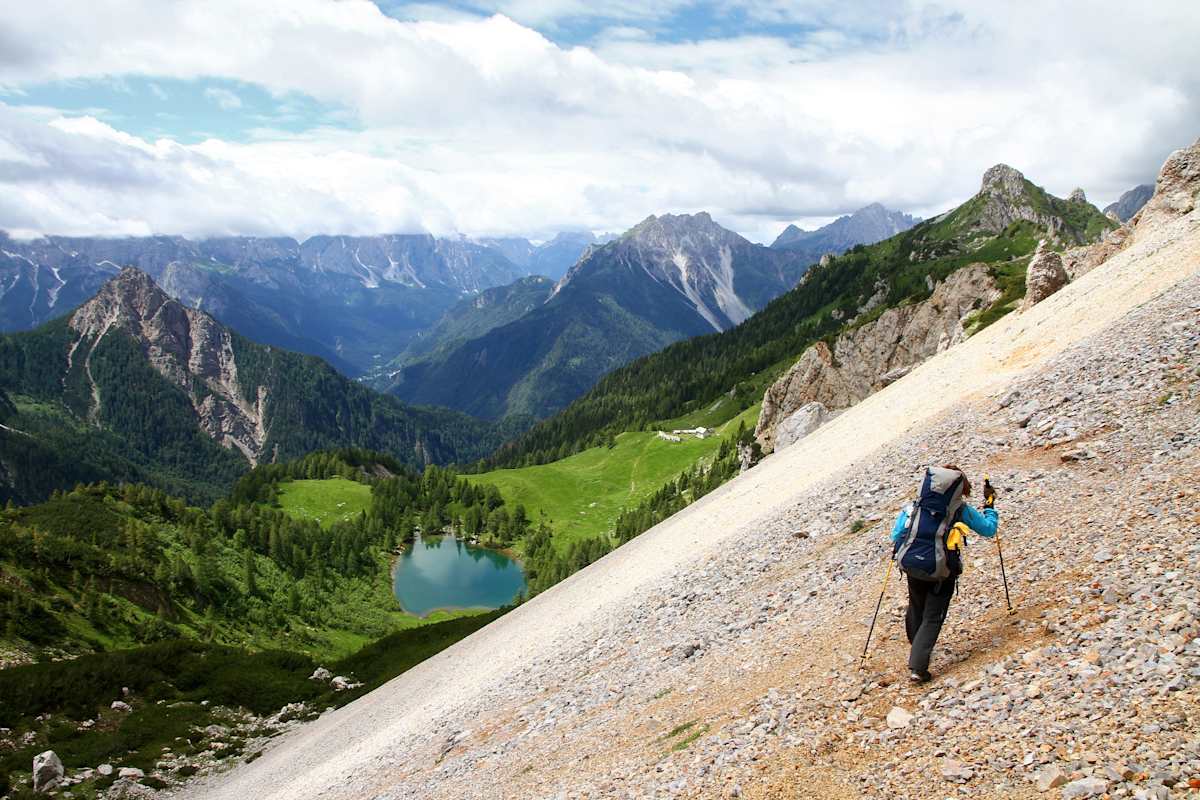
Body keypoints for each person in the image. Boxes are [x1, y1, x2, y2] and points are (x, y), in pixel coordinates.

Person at [890, 465, 998, 683]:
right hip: (942, 570)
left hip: (912, 563)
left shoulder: (915, 505)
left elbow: (896, 534)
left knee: (916, 605)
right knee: (933, 616)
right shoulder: (961, 510)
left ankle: (917, 645)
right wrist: (990, 507)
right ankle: (918, 668)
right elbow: (989, 529)